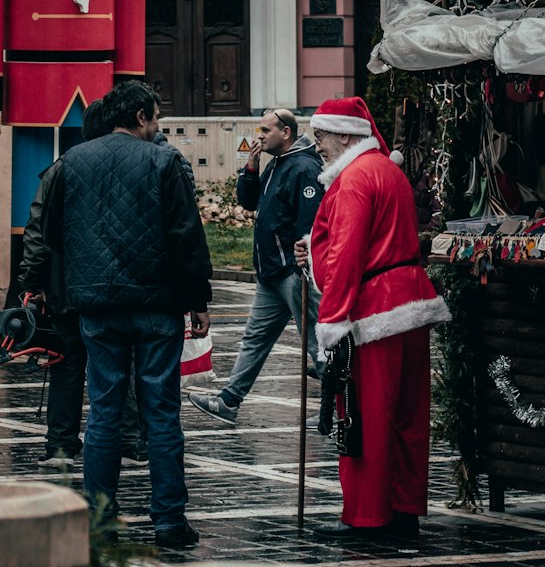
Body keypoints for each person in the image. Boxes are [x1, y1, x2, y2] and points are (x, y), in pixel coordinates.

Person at [59, 79, 212, 550]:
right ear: (143, 116)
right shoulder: (164, 161)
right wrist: (197, 301)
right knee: (161, 413)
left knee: (104, 412)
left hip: (98, 306)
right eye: (157, 117)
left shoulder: (72, 161)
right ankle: (169, 522)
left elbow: (57, 231)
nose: (157, 125)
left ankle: (99, 521)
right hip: (155, 306)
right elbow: (186, 234)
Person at [295, 96, 450, 554]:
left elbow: (345, 255)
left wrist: (333, 321)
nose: (317, 144)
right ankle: (403, 512)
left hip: (372, 310)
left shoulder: (354, 179)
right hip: (407, 301)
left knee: (365, 416)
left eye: (321, 135)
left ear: (345, 134)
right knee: (406, 415)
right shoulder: (387, 170)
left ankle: (367, 517)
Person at [187, 107, 323, 425]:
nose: (258, 137)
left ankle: (341, 408)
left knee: (318, 343)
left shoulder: (303, 166)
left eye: (264, 131)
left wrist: (301, 266)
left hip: (292, 272)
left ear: (285, 132)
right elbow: (248, 202)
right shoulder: (276, 163)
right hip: (270, 274)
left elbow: (311, 224)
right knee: (255, 339)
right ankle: (229, 401)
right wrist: (251, 166)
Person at [18, 99, 108, 468]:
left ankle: (60, 446)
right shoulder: (133, 166)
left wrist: (31, 283)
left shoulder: (60, 169)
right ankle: (124, 443)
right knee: (115, 365)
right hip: (110, 287)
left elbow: (37, 232)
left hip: (65, 287)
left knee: (67, 365)